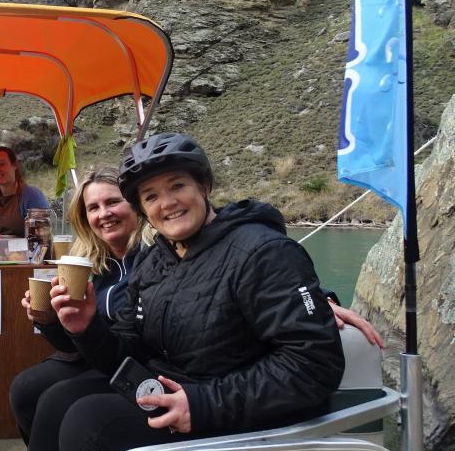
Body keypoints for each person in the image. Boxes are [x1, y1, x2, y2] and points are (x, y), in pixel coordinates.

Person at [45, 133, 348, 450]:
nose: (167, 203)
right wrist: (87, 328)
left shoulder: (263, 252)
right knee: (57, 401)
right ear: (144, 211)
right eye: (150, 197)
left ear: (204, 187)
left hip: (235, 412)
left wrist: (205, 403)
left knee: (89, 422)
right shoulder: (155, 260)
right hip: (177, 390)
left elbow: (314, 363)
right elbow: (128, 349)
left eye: (177, 186)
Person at [9, 167, 142, 448]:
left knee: (56, 402)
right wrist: (47, 319)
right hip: (94, 354)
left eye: (113, 202)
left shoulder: (153, 258)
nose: (103, 214)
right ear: (85, 219)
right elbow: (72, 343)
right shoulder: (90, 262)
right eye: (93, 207)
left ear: (136, 203)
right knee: (25, 389)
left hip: (132, 359)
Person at [0, 146, 50, 258]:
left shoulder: (31, 196)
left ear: (15, 165)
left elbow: (42, 243)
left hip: (21, 268)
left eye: (2, 164)